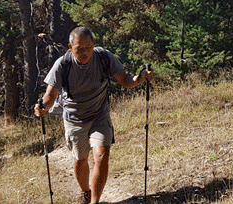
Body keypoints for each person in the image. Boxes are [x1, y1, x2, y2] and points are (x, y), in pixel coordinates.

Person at [34, 26, 154, 204]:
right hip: (74, 119)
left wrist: (141, 77)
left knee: (102, 155)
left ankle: (95, 202)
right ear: (70, 47)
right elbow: (51, 96)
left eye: (88, 47)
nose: (84, 52)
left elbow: (126, 80)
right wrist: (42, 107)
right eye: (79, 48)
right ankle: (86, 191)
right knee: (80, 161)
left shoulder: (104, 57)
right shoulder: (63, 64)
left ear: (93, 45)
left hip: (99, 115)